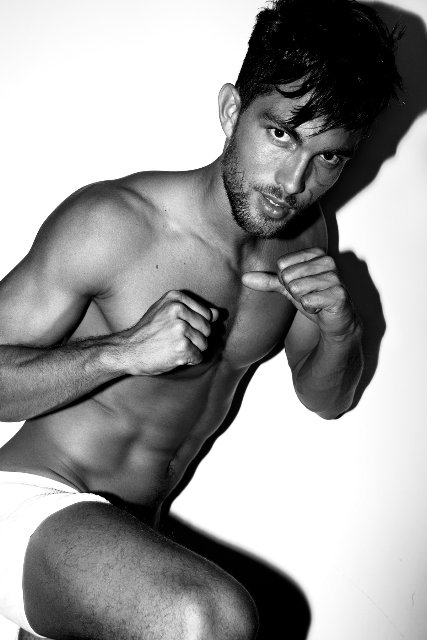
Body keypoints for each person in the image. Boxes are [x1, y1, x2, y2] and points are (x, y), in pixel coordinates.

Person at [0, 0, 401, 638]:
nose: (293, 181)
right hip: (30, 499)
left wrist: (340, 328)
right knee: (209, 618)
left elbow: (327, 400)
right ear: (232, 111)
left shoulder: (305, 239)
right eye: (281, 135)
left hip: (124, 540)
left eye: (328, 157)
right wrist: (123, 352)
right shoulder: (116, 223)